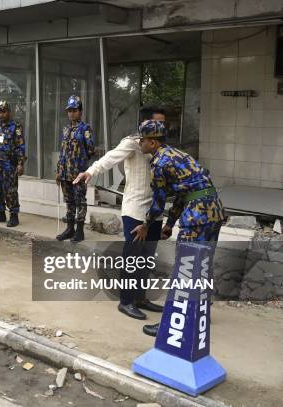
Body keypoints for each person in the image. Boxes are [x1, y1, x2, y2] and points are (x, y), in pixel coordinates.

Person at [134, 119, 226, 337]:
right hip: (213, 211)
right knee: (203, 264)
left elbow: (158, 201)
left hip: (196, 215)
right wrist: (170, 224)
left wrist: (146, 224)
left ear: (153, 142)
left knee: (185, 268)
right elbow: (184, 193)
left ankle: (173, 323)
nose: (140, 142)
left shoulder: (160, 163)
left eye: (143, 139)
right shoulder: (178, 155)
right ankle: (201, 313)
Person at [74, 107, 167, 320]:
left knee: (147, 258)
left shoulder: (161, 146)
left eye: (164, 124)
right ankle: (126, 301)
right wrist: (90, 171)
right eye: (158, 123)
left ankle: (141, 298)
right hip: (135, 209)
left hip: (155, 211)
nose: (163, 129)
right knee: (133, 257)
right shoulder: (133, 143)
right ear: (145, 124)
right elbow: (109, 158)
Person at [55, 95, 95, 243]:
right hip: (65, 173)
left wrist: (81, 164)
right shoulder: (66, 129)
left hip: (78, 174)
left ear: (80, 111)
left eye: (74, 110)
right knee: (69, 201)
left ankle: (79, 231)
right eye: (69, 110)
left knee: (80, 202)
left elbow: (90, 150)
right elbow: (62, 151)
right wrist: (58, 171)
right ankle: (70, 229)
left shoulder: (85, 128)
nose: (71, 113)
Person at [0, 101, 26, 228]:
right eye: (0, 111)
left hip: (9, 164)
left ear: (9, 111)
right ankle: (0, 213)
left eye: (4, 111)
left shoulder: (15, 127)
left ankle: (14, 216)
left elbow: (20, 146)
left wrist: (20, 163)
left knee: (10, 191)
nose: (2, 114)